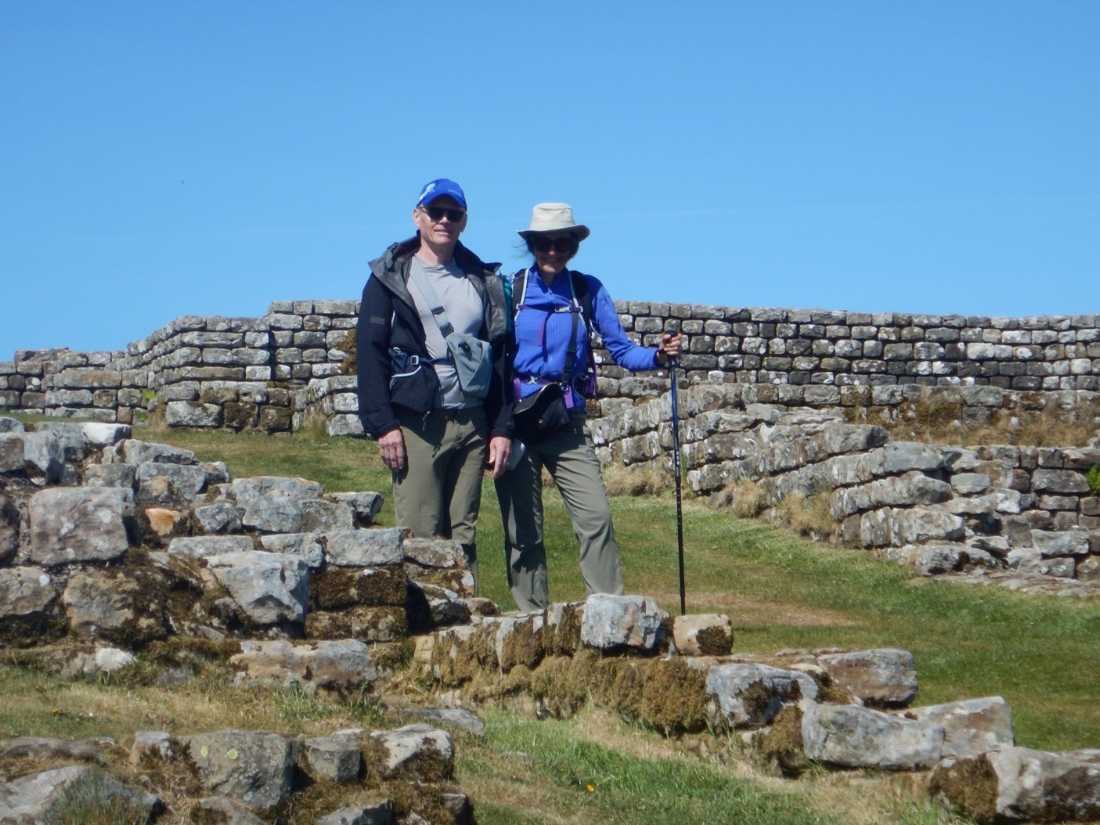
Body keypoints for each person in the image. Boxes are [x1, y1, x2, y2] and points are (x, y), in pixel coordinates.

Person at [495, 202, 681, 610]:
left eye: (563, 243)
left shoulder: (587, 290)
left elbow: (621, 349)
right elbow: (494, 358)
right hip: (517, 423)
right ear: (533, 244)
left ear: (573, 246)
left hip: (565, 420)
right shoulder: (510, 290)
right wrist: (497, 428)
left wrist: (659, 358)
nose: (554, 251)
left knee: (595, 517)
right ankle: (531, 620)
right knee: (523, 530)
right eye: (545, 243)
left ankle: (608, 612)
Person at [356, 178, 513, 582]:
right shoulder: (387, 279)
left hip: (472, 420)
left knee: (463, 533)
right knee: (421, 532)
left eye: (453, 214)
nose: (444, 220)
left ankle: (466, 623)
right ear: (417, 217)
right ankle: (423, 624)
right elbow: (370, 354)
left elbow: (499, 358)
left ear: (464, 221)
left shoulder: (483, 280)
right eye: (435, 212)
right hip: (417, 421)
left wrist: (500, 429)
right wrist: (383, 424)